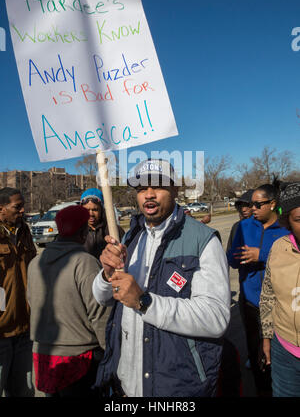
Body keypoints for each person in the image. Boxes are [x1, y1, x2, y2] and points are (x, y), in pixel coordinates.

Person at [92, 159, 231, 397]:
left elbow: (216, 318)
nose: (148, 195)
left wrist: (145, 302)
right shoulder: (131, 237)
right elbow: (103, 298)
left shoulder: (203, 240)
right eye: (141, 189)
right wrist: (106, 275)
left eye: (157, 187)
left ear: (175, 189)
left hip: (174, 387)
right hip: (125, 384)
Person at [27, 205, 108, 397]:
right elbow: (99, 313)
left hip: (45, 355)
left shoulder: (34, 263)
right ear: (82, 232)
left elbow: (31, 301)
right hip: (80, 357)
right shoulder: (84, 262)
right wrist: (110, 350)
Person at [227, 182, 289, 396]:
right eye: (250, 204)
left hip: (282, 302)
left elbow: (293, 259)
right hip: (251, 302)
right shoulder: (243, 227)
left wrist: (261, 255)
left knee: (280, 353)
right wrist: (238, 256)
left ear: (273, 204)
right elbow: (232, 260)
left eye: (257, 205)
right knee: (256, 355)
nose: (251, 209)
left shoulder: (286, 227)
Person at [260, 181, 300, 397]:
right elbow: (268, 296)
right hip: (284, 351)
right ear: (287, 222)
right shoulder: (279, 248)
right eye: (299, 220)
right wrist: (267, 337)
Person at [0, 187, 36, 397]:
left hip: (24, 329)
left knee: (24, 391)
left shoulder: (25, 232)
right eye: (17, 206)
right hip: (2, 332)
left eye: (23, 205)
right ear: (1, 209)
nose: (23, 210)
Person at [80, 188, 124, 260]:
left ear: (102, 210)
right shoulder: (77, 233)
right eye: (87, 210)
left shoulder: (114, 230)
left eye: (95, 210)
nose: (91, 214)